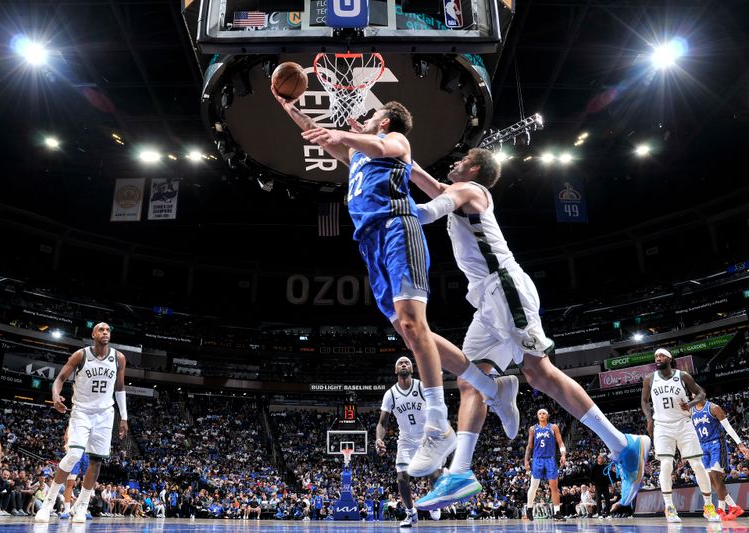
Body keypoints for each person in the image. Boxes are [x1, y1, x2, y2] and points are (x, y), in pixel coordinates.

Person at [272, 89, 519, 478]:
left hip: (397, 228)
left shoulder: (396, 139)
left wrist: (349, 136)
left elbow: (374, 142)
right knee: (409, 333)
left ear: (384, 122)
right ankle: (491, 387)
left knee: (412, 323)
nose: (366, 119)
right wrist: (289, 107)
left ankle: (438, 425)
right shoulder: (358, 155)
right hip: (369, 242)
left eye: (373, 117)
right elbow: (320, 133)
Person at [407, 147, 650, 511]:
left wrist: (386, 210)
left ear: (473, 168)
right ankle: (460, 472)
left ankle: (622, 444)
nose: (453, 163)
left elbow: (426, 212)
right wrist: (382, 149)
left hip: (504, 289)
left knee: (540, 373)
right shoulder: (457, 191)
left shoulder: (472, 191)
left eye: (460, 161)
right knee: (469, 379)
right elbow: (416, 174)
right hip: (487, 302)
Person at [35, 322, 128, 523]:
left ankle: (81, 507)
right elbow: (60, 378)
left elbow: (120, 389)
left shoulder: (118, 358)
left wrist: (124, 417)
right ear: (93, 334)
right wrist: (55, 395)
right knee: (74, 454)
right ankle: (48, 503)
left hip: (105, 414)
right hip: (82, 412)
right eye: (101, 330)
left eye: (108, 330)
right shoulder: (81, 355)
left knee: (96, 461)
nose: (105, 332)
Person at [641, 348, 720, 523]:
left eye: (661, 356)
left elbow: (701, 393)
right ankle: (669, 507)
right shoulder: (650, 378)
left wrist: (691, 403)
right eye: (656, 357)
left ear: (670, 358)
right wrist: (648, 419)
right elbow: (644, 401)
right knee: (666, 464)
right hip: (662, 425)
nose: (658, 358)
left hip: (684, 424)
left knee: (697, 465)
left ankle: (708, 507)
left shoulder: (683, 375)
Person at [375, 356, 442, 527]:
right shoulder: (390, 394)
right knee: (402, 478)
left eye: (407, 363)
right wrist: (378, 439)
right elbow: (382, 423)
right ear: (396, 370)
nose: (403, 364)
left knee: (434, 474)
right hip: (406, 439)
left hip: (426, 436)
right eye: (400, 363)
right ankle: (411, 513)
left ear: (411, 369)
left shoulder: (421, 386)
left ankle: (434, 501)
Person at [691, 398, 749, 520]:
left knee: (716, 477)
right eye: (693, 394)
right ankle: (733, 507)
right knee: (710, 480)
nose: (695, 396)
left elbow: (728, 427)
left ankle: (721, 509)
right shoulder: (692, 411)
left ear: (702, 394)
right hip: (702, 446)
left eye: (697, 393)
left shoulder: (713, 408)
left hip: (716, 444)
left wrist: (740, 443)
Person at [523, 409, 567, 521]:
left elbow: (561, 442)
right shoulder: (533, 429)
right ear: (537, 416)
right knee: (534, 486)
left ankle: (557, 512)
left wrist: (563, 454)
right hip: (537, 459)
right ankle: (529, 509)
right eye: (540, 414)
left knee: (554, 486)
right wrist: (526, 460)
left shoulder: (553, 427)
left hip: (550, 459)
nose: (542, 415)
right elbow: (529, 446)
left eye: (544, 413)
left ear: (547, 416)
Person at [59, 450, 89, 519]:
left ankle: (83, 509)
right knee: (70, 482)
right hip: (77, 449)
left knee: (87, 484)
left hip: (88, 451)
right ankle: (67, 510)